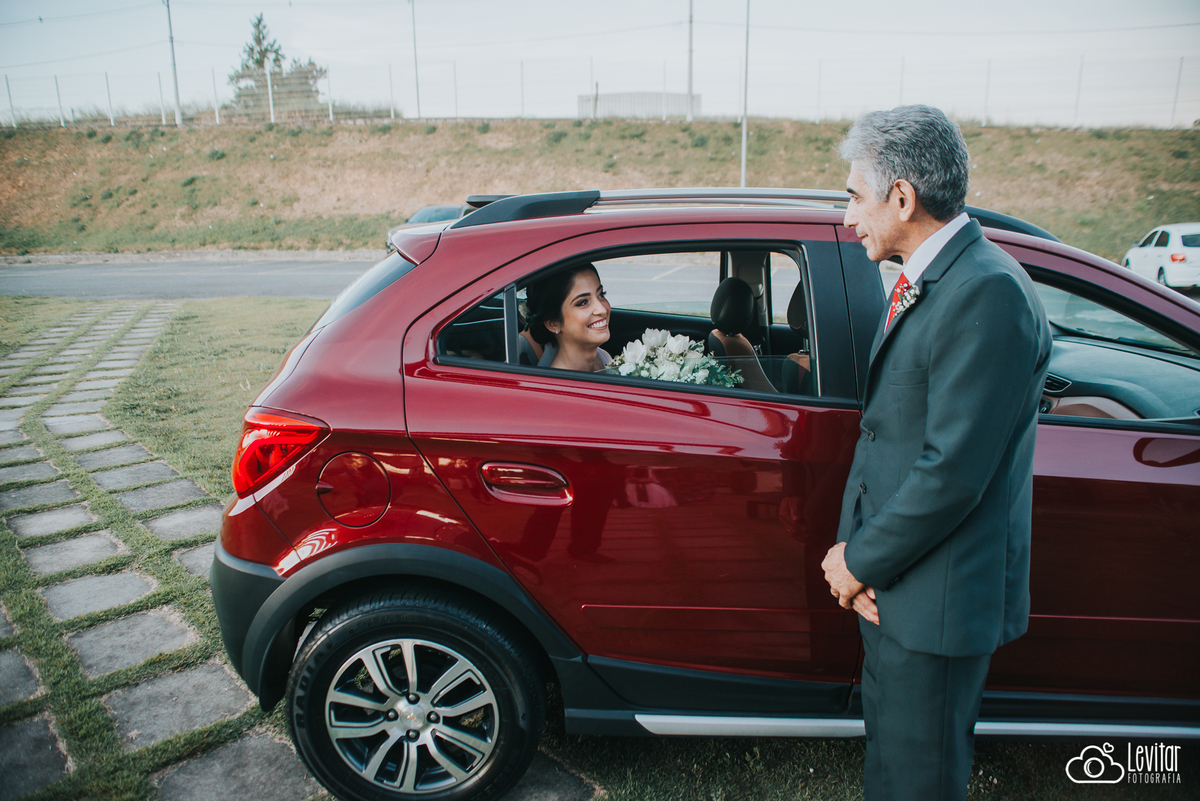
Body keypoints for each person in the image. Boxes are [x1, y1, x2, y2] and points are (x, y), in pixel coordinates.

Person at [821, 105, 1052, 801]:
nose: (846, 215)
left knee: (920, 780)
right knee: (891, 769)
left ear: (902, 197)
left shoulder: (987, 291)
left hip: (937, 600)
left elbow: (952, 472)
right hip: (896, 588)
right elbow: (887, 433)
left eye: (854, 195)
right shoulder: (936, 275)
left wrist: (857, 560)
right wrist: (857, 559)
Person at [526, 263, 612, 372]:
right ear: (553, 323)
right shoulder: (557, 384)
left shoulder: (602, 357)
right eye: (583, 302)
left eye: (601, 294)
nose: (602, 310)